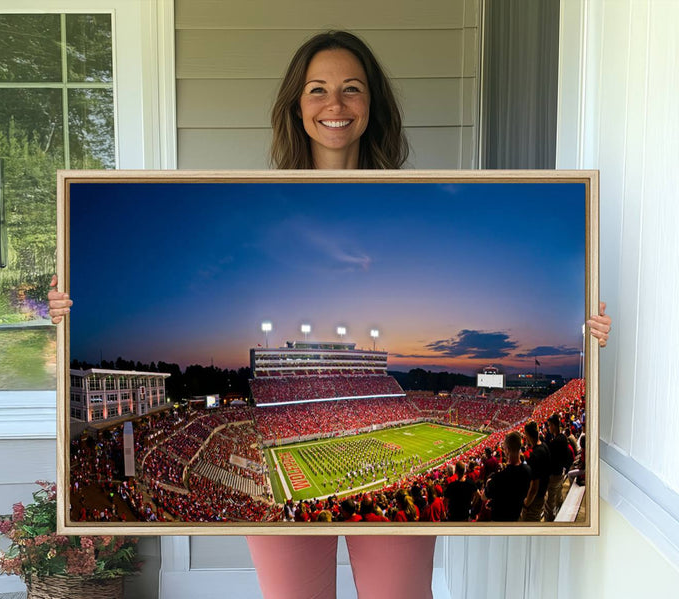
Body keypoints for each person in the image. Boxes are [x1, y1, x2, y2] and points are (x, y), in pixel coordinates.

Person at [48, 29, 613, 599]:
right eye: (317, 89)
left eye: (352, 89)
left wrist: (583, 330)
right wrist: (70, 309)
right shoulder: (259, 203)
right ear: (297, 104)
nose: (334, 104)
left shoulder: (407, 203)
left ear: (372, 105)